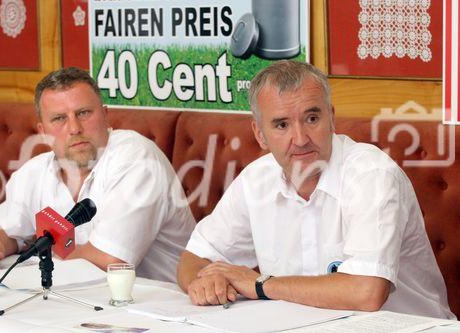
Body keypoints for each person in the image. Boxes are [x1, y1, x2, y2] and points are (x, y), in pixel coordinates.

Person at [177, 60, 455, 319]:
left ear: (331, 119)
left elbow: (367, 293)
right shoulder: (256, 180)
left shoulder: (372, 175)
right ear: (260, 134)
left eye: (311, 119)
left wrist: (261, 285)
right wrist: (206, 282)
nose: (300, 139)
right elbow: (193, 259)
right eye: (282, 125)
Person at [0, 67, 195, 283]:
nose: (74, 128)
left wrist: (37, 262)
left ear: (105, 115)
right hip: (84, 303)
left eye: (83, 113)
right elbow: (1, 228)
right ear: (42, 132)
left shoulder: (137, 159)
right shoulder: (34, 172)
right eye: (59, 118)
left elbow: (110, 261)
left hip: (163, 305)